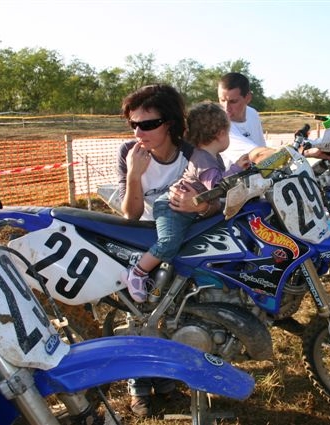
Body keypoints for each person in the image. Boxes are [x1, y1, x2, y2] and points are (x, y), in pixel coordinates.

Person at [116, 83, 209, 417]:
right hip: (144, 240)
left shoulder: (191, 154)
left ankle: (168, 382)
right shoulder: (130, 152)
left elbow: (215, 200)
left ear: (169, 123)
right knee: (139, 315)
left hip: (184, 242)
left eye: (148, 124)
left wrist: (200, 204)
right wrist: (134, 175)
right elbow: (129, 214)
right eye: (134, 124)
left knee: (173, 313)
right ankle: (139, 387)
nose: (138, 132)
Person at [122, 101, 249, 303]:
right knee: (169, 243)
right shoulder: (204, 160)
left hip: (185, 209)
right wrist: (237, 170)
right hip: (171, 209)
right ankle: (137, 272)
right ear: (220, 133)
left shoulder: (209, 156)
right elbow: (217, 187)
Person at [217, 72, 266, 168]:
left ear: (248, 98)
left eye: (233, 101)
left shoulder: (253, 114)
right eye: (222, 100)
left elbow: (262, 149)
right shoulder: (219, 123)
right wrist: (288, 153)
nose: (226, 108)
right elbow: (257, 155)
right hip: (228, 177)